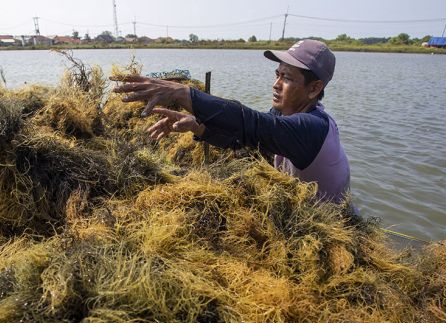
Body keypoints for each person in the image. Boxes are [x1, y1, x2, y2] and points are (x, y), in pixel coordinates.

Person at [112, 39, 351, 204]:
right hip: (303, 215)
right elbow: (245, 137)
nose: (276, 84)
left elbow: (252, 124)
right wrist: (199, 126)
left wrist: (182, 93)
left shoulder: (313, 128)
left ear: (314, 89)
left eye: (287, 78)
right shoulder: (283, 115)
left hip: (328, 227)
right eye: (277, 74)